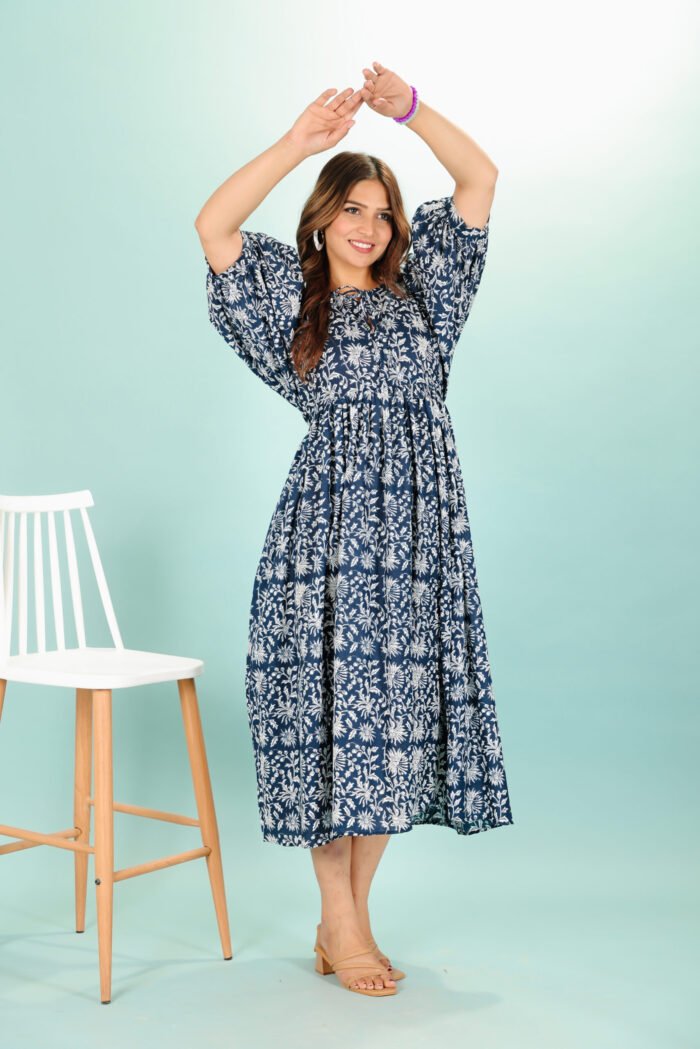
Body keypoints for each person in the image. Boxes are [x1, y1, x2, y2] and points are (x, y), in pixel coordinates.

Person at [195, 61, 514, 998]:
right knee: (334, 723)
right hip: (325, 542)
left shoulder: (431, 298)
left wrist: (407, 110)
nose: (369, 226)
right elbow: (214, 226)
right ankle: (341, 921)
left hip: (419, 544)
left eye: (382, 212)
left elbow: (481, 179)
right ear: (323, 217)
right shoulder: (289, 306)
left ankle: (350, 918)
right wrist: (302, 143)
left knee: (393, 731)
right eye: (351, 209)